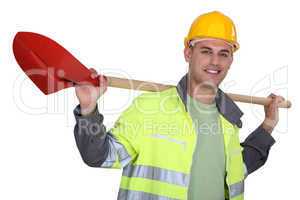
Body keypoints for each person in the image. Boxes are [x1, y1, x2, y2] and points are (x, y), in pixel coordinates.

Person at [73, 11, 285, 200]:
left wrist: (268, 125)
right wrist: (89, 109)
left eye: (224, 53)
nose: (215, 61)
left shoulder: (228, 120)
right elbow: (98, 156)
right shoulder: (150, 108)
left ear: (231, 60)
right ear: (188, 53)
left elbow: (239, 168)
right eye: (206, 51)